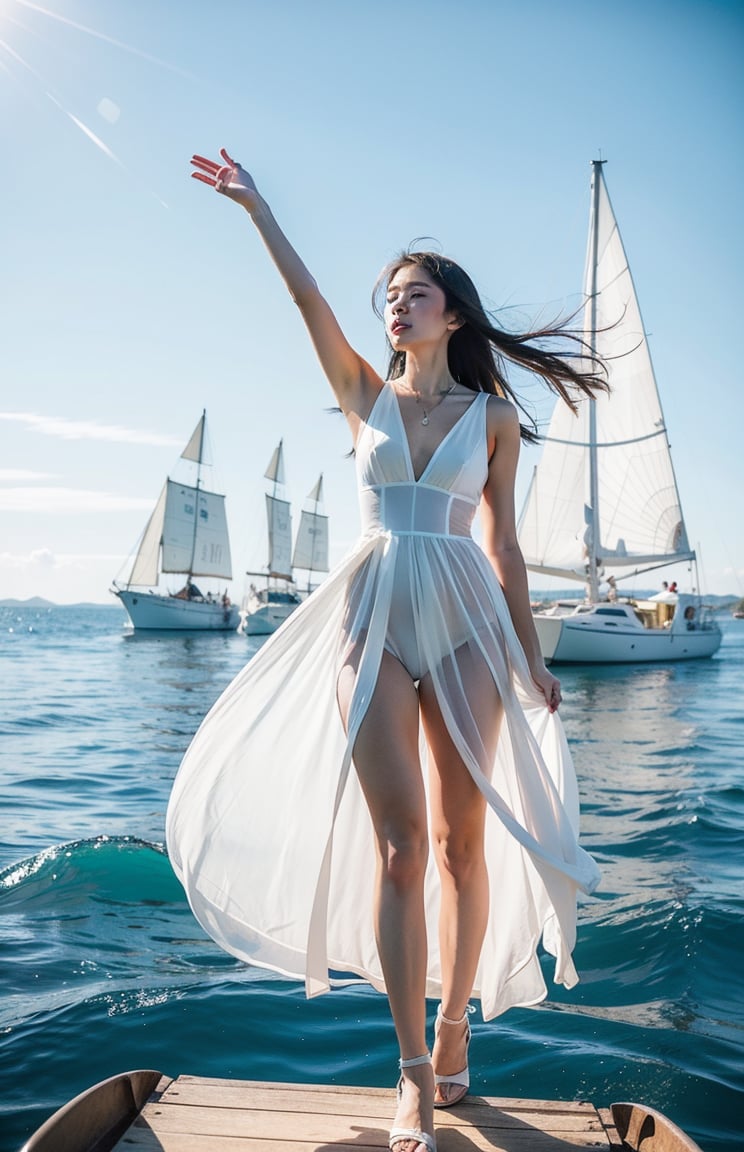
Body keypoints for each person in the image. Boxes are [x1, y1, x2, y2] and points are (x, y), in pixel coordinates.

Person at [166, 149, 605, 1152]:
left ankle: (457, 1027)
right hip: (373, 618)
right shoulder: (363, 393)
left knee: (460, 844)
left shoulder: (495, 421)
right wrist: (257, 208)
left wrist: (533, 657)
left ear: (453, 313)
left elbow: (504, 548)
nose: (396, 308)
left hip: (464, 621)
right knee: (401, 851)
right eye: (392, 297)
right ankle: (410, 1073)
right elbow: (308, 300)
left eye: (416, 295)